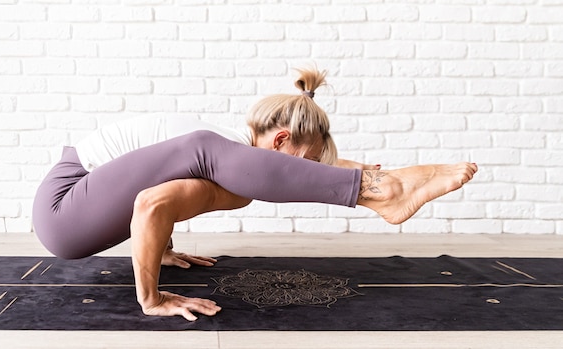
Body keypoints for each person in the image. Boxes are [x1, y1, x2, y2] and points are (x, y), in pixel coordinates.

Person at [32, 67, 478, 322]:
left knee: (229, 181)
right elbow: (148, 201)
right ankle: (382, 193)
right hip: (64, 206)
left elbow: (152, 195)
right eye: (298, 163)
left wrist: (160, 246)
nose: (293, 174)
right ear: (281, 141)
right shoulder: (217, 145)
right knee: (209, 154)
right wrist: (153, 298)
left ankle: (381, 186)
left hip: (84, 208)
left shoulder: (225, 155)